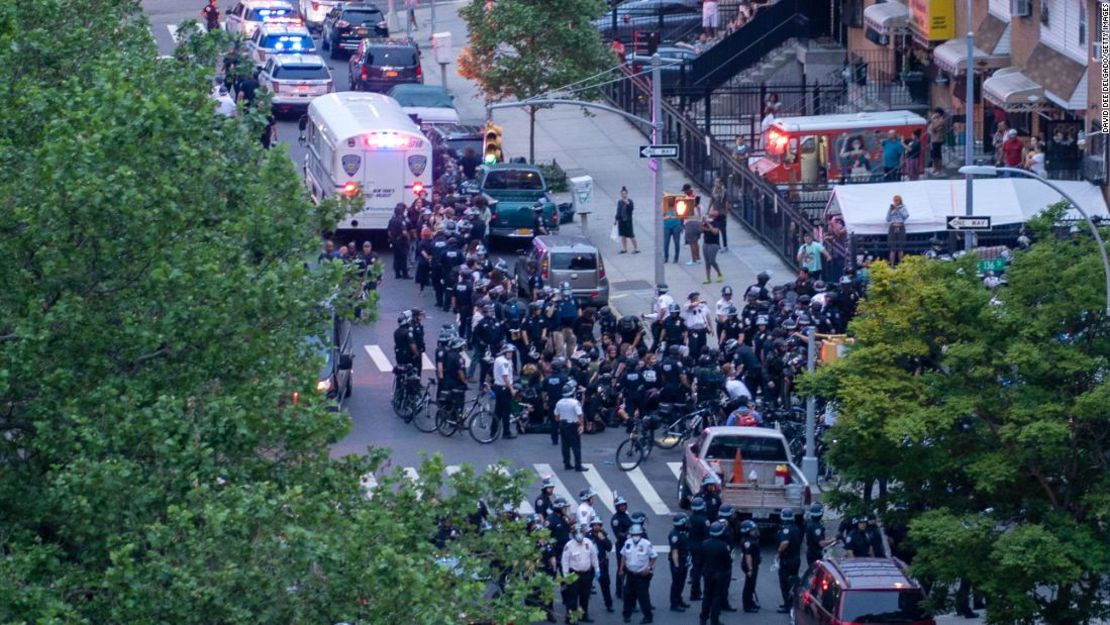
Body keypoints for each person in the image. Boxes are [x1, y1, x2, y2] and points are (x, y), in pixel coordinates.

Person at [561, 522, 600, 624]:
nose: (580, 535)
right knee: (572, 599)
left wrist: (597, 569)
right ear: (573, 534)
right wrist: (566, 576)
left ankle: (583, 615)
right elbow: (565, 562)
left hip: (586, 574)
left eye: (581, 533)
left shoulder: (588, 543)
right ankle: (571, 618)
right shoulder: (569, 546)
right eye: (577, 533)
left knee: (585, 597)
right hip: (574, 575)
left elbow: (594, 557)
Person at [619, 524, 656, 624]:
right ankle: (627, 615)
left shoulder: (646, 544)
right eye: (633, 534)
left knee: (643, 597)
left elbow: (653, 557)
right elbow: (623, 556)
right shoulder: (627, 543)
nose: (635, 536)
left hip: (641, 575)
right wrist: (621, 569)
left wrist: (649, 568)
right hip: (630, 574)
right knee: (627, 596)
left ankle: (648, 617)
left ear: (641, 534)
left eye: (637, 534)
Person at [699, 521, 732, 625]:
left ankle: (703, 618)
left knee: (707, 595)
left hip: (708, 573)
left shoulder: (705, 543)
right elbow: (728, 561)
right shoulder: (724, 545)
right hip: (720, 574)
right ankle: (714, 620)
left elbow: (702, 559)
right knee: (717, 597)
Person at [775, 508, 802, 614]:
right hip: (796, 559)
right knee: (793, 582)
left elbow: (785, 543)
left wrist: (778, 552)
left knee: (785, 583)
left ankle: (787, 605)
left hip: (787, 560)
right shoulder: (796, 528)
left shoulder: (786, 529)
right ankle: (792, 603)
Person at [555, 380, 586, 472]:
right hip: (573, 425)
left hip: (563, 424)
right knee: (576, 446)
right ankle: (578, 465)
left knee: (565, 446)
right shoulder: (574, 403)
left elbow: (556, 417)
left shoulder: (559, 402)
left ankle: (567, 463)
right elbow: (580, 414)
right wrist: (581, 425)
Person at [589, 515, 615, 613]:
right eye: (594, 525)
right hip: (590, 564)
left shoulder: (603, 534)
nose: (596, 527)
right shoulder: (588, 535)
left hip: (601, 563)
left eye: (598, 525)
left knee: (605, 585)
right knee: (585, 586)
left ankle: (609, 604)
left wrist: (603, 539)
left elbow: (609, 548)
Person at [687, 496, 710, 602]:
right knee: (701, 570)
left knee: (696, 568)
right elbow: (707, 535)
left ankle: (695, 592)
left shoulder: (690, 518)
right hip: (701, 546)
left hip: (692, 545)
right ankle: (697, 592)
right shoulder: (704, 520)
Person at [668, 513, 692, 612]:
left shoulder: (682, 532)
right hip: (678, 561)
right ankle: (674, 603)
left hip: (684, 559)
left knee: (681, 582)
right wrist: (676, 565)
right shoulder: (675, 535)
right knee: (676, 583)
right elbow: (675, 551)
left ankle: (679, 599)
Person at [493, 344, 516, 439]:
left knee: (497, 411)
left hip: (498, 387)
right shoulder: (504, 362)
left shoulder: (498, 359)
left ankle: (493, 431)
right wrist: (512, 389)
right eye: (509, 352)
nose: (511, 354)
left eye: (512, 352)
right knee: (506, 411)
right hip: (504, 388)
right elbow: (505, 377)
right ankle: (506, 432)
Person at [611, 495, 632, 600]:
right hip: (621, 545)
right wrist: (629, 533)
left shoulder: (626, 515)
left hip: (630, 545)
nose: (623, 507)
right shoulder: (615, 519)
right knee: (621, 567)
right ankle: (619, 591)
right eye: (620, 506)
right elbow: (619, 534)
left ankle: (626, 589)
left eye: (624, 505)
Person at [804, 504, 836, 570]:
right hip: (815, 554)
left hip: (812, 552)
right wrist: (834, 539)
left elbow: (815, 538)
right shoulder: (816, 527)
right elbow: (821, 543)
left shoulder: (810, 524)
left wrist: (828, 539)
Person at [739, 520, 761, 612]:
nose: (755, 532)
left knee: (751, 585)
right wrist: (750, 569)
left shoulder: (751, 540)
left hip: (752, 565)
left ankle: (751, 602)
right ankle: (747, 606)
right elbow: (748, 557)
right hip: (750, 566)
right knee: (748, 586)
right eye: (752, 530)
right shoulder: (748, 542)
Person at [701, 206, 724, 284]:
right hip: (706, 242)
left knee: (712, 260)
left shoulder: (717, 221)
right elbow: (702, 230)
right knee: (707, 261)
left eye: (713, 210)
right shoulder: (707, 220)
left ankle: (719, 273)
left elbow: (715, 232)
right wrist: (703, 222)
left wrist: (708, 224)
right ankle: (708, 278)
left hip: (714, 243)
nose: (711, 211)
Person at [388, 204, 411, 279]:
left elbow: (389, 232)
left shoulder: (392, 220)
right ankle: (405, 274)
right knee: (403, 257)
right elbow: (404, 232)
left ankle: (397, 274)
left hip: (394, 240)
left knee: (396, 257)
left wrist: (392, 239)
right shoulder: (401, 220)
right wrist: (408, 238)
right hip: (401, 241)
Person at [886, 195, 909, 266]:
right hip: (893, 227)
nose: (895, 202)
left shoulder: (903, 207)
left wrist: (898, 210)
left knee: (900, 248)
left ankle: (901, 264)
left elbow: (906, 216)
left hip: (900, 226)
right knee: (892, 248)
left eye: (897, 200)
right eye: (894, 200)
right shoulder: (891, 208)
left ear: (900, 201)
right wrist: (890, 210)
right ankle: (892, 265)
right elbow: (887, 219)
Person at [615, 187, 639, 253]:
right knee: (622, 235)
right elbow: (618, 211)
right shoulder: (619, 202)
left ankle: (636, 248)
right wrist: (616, 219)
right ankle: (624, 249)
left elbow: (631, 209)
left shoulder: (630, 201)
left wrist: (627, 203)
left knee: (631, 235)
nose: (624, 195)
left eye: (625, 193)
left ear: (627, 194)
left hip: (628, 221)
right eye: (622, 194)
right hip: (621, 221)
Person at [663, 191, 683, 263]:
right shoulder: (664, 207)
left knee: (676, 243)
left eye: (672, 199)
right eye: (669, 199)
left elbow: (682, 216)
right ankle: (666, 257)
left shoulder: (678, 207)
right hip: (667, 226)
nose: (670, 201)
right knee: (666, 243)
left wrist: (681, 226)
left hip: (676, 226)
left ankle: (676, 258)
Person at [928, 108, 948, 176]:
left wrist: (932, 120)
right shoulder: (935, 120)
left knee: (937, 156)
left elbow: (934, 129)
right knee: (933, 156)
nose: (934, 114)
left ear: (938, 113)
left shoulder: (941, 120)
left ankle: (939, 169)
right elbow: (930, 130)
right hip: (933, 140)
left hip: (937, 140)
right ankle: (935, 168)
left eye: (935, 113)